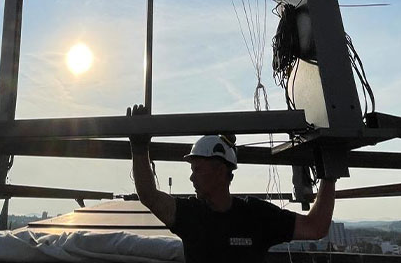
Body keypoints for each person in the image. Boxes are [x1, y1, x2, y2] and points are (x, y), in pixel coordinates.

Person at [128, 106, 337, 262]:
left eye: (197, 169)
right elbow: (148, 194)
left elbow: (316, 227)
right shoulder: (191, 214)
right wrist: (139, 148)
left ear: (220, 170)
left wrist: (328, 172)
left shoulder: (256, 215)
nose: (191, 178)